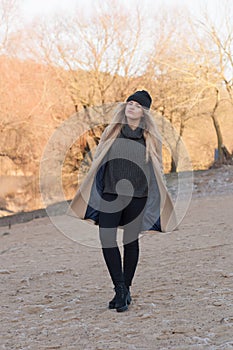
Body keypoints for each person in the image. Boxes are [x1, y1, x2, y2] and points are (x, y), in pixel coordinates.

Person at [69, 90, 177, 312]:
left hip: (138, 197)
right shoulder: (112, 131)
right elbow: (98, 161)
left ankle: (125, 289)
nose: (132, 107)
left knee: (130, 241)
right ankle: (120, 289)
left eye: (137, 105)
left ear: (144, 113)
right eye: (130, 103)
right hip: (110, 194)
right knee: (107, 239)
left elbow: (158, 171)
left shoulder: (151, 138)